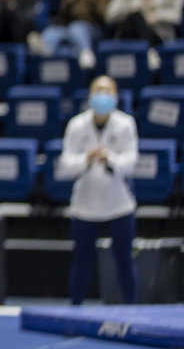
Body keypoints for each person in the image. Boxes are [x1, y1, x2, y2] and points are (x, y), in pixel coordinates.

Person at [55, 75, 139, 305]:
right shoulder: (77, 124)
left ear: (115, 96)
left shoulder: (125, 124)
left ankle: (132, 311)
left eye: (107, 91)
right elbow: (65, 165)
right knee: (81, 260)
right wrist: (87, 158)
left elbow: (131, 163)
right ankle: (75, 312)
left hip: (118, 203)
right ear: (90, 95)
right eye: (97, 90)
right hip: (85, 204)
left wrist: (109, 158)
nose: (102, 95)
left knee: (124, 259)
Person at [38, 0, 109, 67]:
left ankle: (86, 53)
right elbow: (62, 18)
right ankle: (46, 55)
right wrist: (68, 3)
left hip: (92, 30)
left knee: (77, 27)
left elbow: (104, 17)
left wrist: (91, 2)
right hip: (70, 30)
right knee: (51, 32)